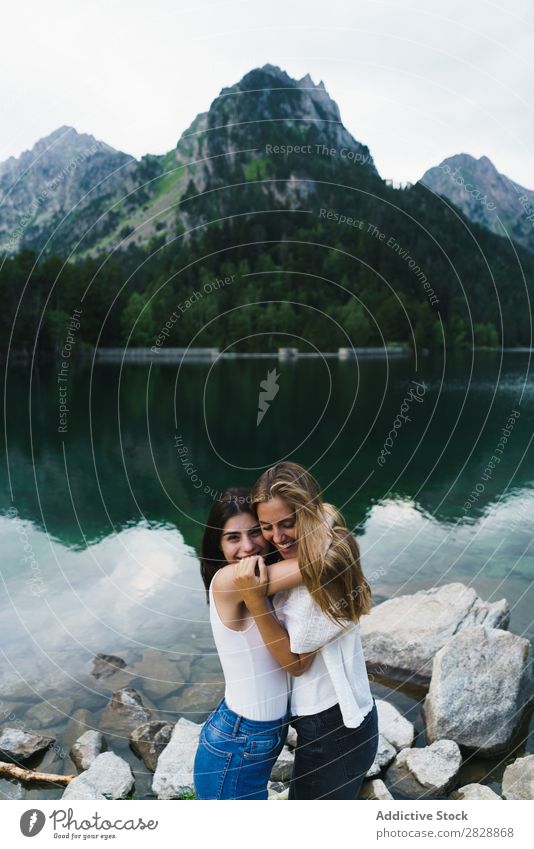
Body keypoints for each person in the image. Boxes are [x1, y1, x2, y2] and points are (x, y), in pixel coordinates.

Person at [233, 462, 379, 800]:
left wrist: (255, 601)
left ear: (309, 512)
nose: (278, 537)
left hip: (336, 729)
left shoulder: (322, 574)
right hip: (334, 721)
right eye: (266, 527)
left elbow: (296, 663)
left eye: (288, 523)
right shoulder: (318, 544)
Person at [193, 487, 314, 800]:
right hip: (237, 742)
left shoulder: (262, 584)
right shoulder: (227, 582)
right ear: (217, 545)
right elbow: (325, 560)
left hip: (245, 735)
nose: (247, 548)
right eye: (233, 538)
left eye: (255, 532)